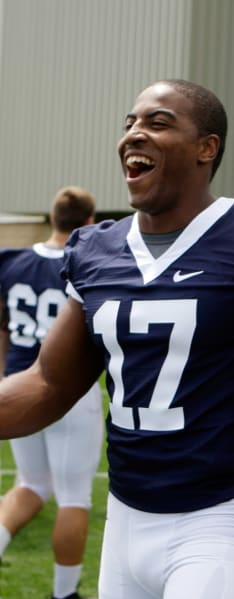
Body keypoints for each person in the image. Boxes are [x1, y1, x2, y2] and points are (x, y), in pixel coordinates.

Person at [0, 79, 234, 599]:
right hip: (127, 519)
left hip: (225, 519)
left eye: (157, 122)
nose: (134, 134)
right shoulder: (96, 251)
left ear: (206, 148)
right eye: (129, 123)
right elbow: (46, 385)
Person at [0, 186, 103, 599]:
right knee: (73, 496)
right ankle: (64, 594)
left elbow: (2, 331)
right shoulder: (90, 261)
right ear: (90, 222)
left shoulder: (11, 261)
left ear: (51, 216)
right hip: (68, 391)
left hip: (15, 385)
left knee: (31, 484)